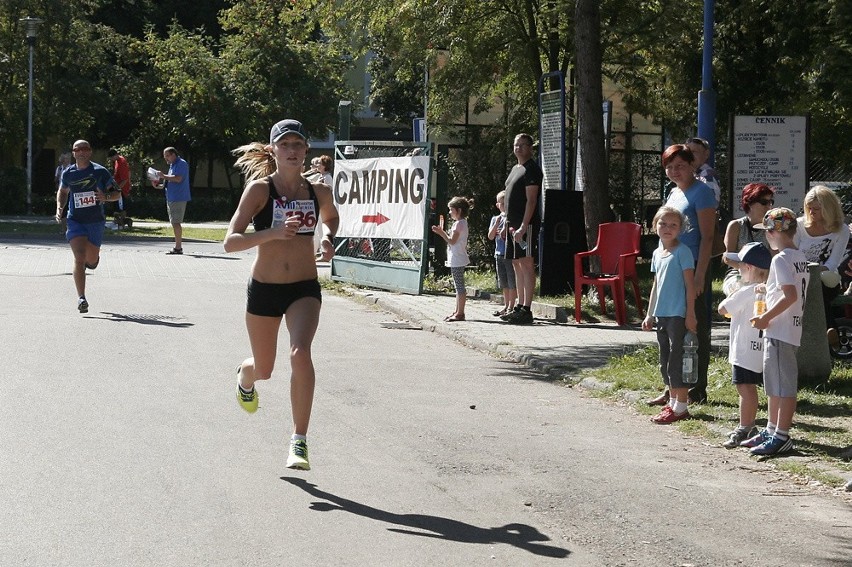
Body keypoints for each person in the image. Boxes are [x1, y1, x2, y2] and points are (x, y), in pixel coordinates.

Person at [223, 118, 339, 471]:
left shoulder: (318, 192)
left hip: (304, 288)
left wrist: (330, 238)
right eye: (284, 144)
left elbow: (331, 218)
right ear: (273, 150)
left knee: (300, 352)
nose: (292, 151)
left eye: (298, 145)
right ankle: (245, 375)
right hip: (264, 290)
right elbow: (230, 242)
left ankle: (299, 441)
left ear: (307, 151)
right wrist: (271, 233)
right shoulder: (260, 190)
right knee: (265, 369)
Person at [647, 144, 717, 406]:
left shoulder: (703, 192)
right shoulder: (673, 193)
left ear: (692, 166)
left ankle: (695, 388)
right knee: (671, 329)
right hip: (671, 265)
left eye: (680, 165)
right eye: (669, 166)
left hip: (694, 263)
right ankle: (672, 388)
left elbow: (708, 236)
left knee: (693, 326)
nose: (675, 171)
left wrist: (700, 276)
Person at [747, 208, 810, 455]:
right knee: (773, 383)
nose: (766, 238)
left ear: (773, 233)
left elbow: (790, 295)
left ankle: (781, 436)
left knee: (783, 387)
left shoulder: (781, 258)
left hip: (780, 329)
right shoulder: (799, 256)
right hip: (787, 328)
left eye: (767, 233)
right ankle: (772, 428)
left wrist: (765, 317)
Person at [642, 206, 697, 424]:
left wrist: (690, 314)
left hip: (678, 314)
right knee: (665, 358)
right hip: (662, 314)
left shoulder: (683, 252)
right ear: (654, 225)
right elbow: (656, 285)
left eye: (673, 225)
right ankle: (672, 403)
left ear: (681, 229)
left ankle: (681, 406)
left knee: (678, 358)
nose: (667, 228)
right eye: (663, 223)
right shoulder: (657, 253)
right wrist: (650, 314)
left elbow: (689, 285)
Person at [55, 140, 120, 313]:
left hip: (95, 221)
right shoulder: (68, 173)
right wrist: (60, 207)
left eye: (85, 149)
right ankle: (81, 298)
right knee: (79, 257)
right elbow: (62, 192)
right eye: (78, 149)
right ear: (73, 153)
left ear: (90, 152)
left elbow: (117, 193)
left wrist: (105, 197)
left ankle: (93, 261)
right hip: (75, 220)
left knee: (90, 260)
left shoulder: (100, 171)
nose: (82, 152)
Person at [718, 242, 772, 447]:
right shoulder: (768, 290)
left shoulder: (746, 291)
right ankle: (754, 424)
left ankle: (745, 425)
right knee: (754, 388)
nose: (738, 272)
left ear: (748, 269)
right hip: (761, 348)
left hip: (744, 350)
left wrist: (732, 292)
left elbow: (723, 309)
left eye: (740, 268)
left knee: (744, 388)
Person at [794, 185, 850, 347]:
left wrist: (813, 272)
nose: (811, 212)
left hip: (825, 278)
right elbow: (794, 255)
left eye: (816, 209)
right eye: (809, 208)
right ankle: (830, 329)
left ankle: (826, 334)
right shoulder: (799, 226)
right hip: (798, 275)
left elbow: (833, 263)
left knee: (818, 288)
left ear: (828, 209)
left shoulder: (841, 230)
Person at [501, 133, 543, 325]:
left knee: (526, 263)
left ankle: (527, 308)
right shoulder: (515, 168)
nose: (518, 148)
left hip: (525, 225)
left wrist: (524, 226)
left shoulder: (532, 170)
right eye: (516, 145)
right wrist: (506, 224)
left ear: (530, 148)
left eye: (523, 145)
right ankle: (518, 306)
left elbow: (531, 200)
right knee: (516, 263)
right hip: (511, 224)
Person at [721, 183, 775, 295]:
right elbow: (727, 258)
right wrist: (750, 271)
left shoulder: (771, 229)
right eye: (764, 202)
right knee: (741, 291)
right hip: (738, 273)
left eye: (771, 202)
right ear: (750, 203)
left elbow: (774, 258)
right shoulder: (736, 226)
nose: (769, 207)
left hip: (764, 276)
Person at [431, 196, 473, 322]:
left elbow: (452, 241)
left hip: (457, 258)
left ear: (458, 210)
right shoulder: (462, 223)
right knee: (458, 286)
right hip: (458, 257)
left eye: (451, 210)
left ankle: (460, 313)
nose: (449, 212)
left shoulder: (458, 224)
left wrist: (441, 232)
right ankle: (457, 311)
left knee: (459, 287)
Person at [151, 147, 191, 254]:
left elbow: (178, 179)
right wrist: (158, 185)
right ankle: (178, 247)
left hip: (178, 197)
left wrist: (163, 176)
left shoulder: (181, 163)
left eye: (167, 156)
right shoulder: (172, 165)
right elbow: (170, 181)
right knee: (174, 222)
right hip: (172, 197)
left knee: (176, 222)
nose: (166, 159)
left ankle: (178, 248)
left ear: (174, 154)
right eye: (165, 157)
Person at [487, 190, 516, 317]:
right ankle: (506, 305)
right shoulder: (495, 219)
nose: (504, 206)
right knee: (503, 282)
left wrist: (505, 225)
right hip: (499, 253)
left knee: (511, 281)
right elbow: (490, 236)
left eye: (506, 203)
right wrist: (497, 223)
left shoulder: (512, 218)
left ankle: (512, 306)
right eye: (501, 203)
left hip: (509, 254)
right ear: (497, 205)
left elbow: (506, 235)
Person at [685, 137, 721, 204]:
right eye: (687, 152)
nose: (689, 155)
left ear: (706, 154)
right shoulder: (692, 175)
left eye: (694, 152)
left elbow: (711, 204)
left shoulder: (708, 175)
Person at [107, 148, 131, 228]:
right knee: (116, 205)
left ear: (116, 155)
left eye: (111, 158)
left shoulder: (122, 162)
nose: (111, 160)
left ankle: (121, 223)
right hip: (118, 186)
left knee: (120, 207)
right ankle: (117, 222)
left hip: (122, 189)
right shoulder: (117, 161)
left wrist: (118, 189)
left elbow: (125, 179)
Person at [55, 153, 72, 234]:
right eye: (63, 159)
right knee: (62, 210)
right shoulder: (59, 169)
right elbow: (56, 179)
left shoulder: (72, 168)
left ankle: (70, 229)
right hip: (61, 191)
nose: (65, 160)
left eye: (66, 158)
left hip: (70, 192)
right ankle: (64, 229)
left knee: (69, 210)